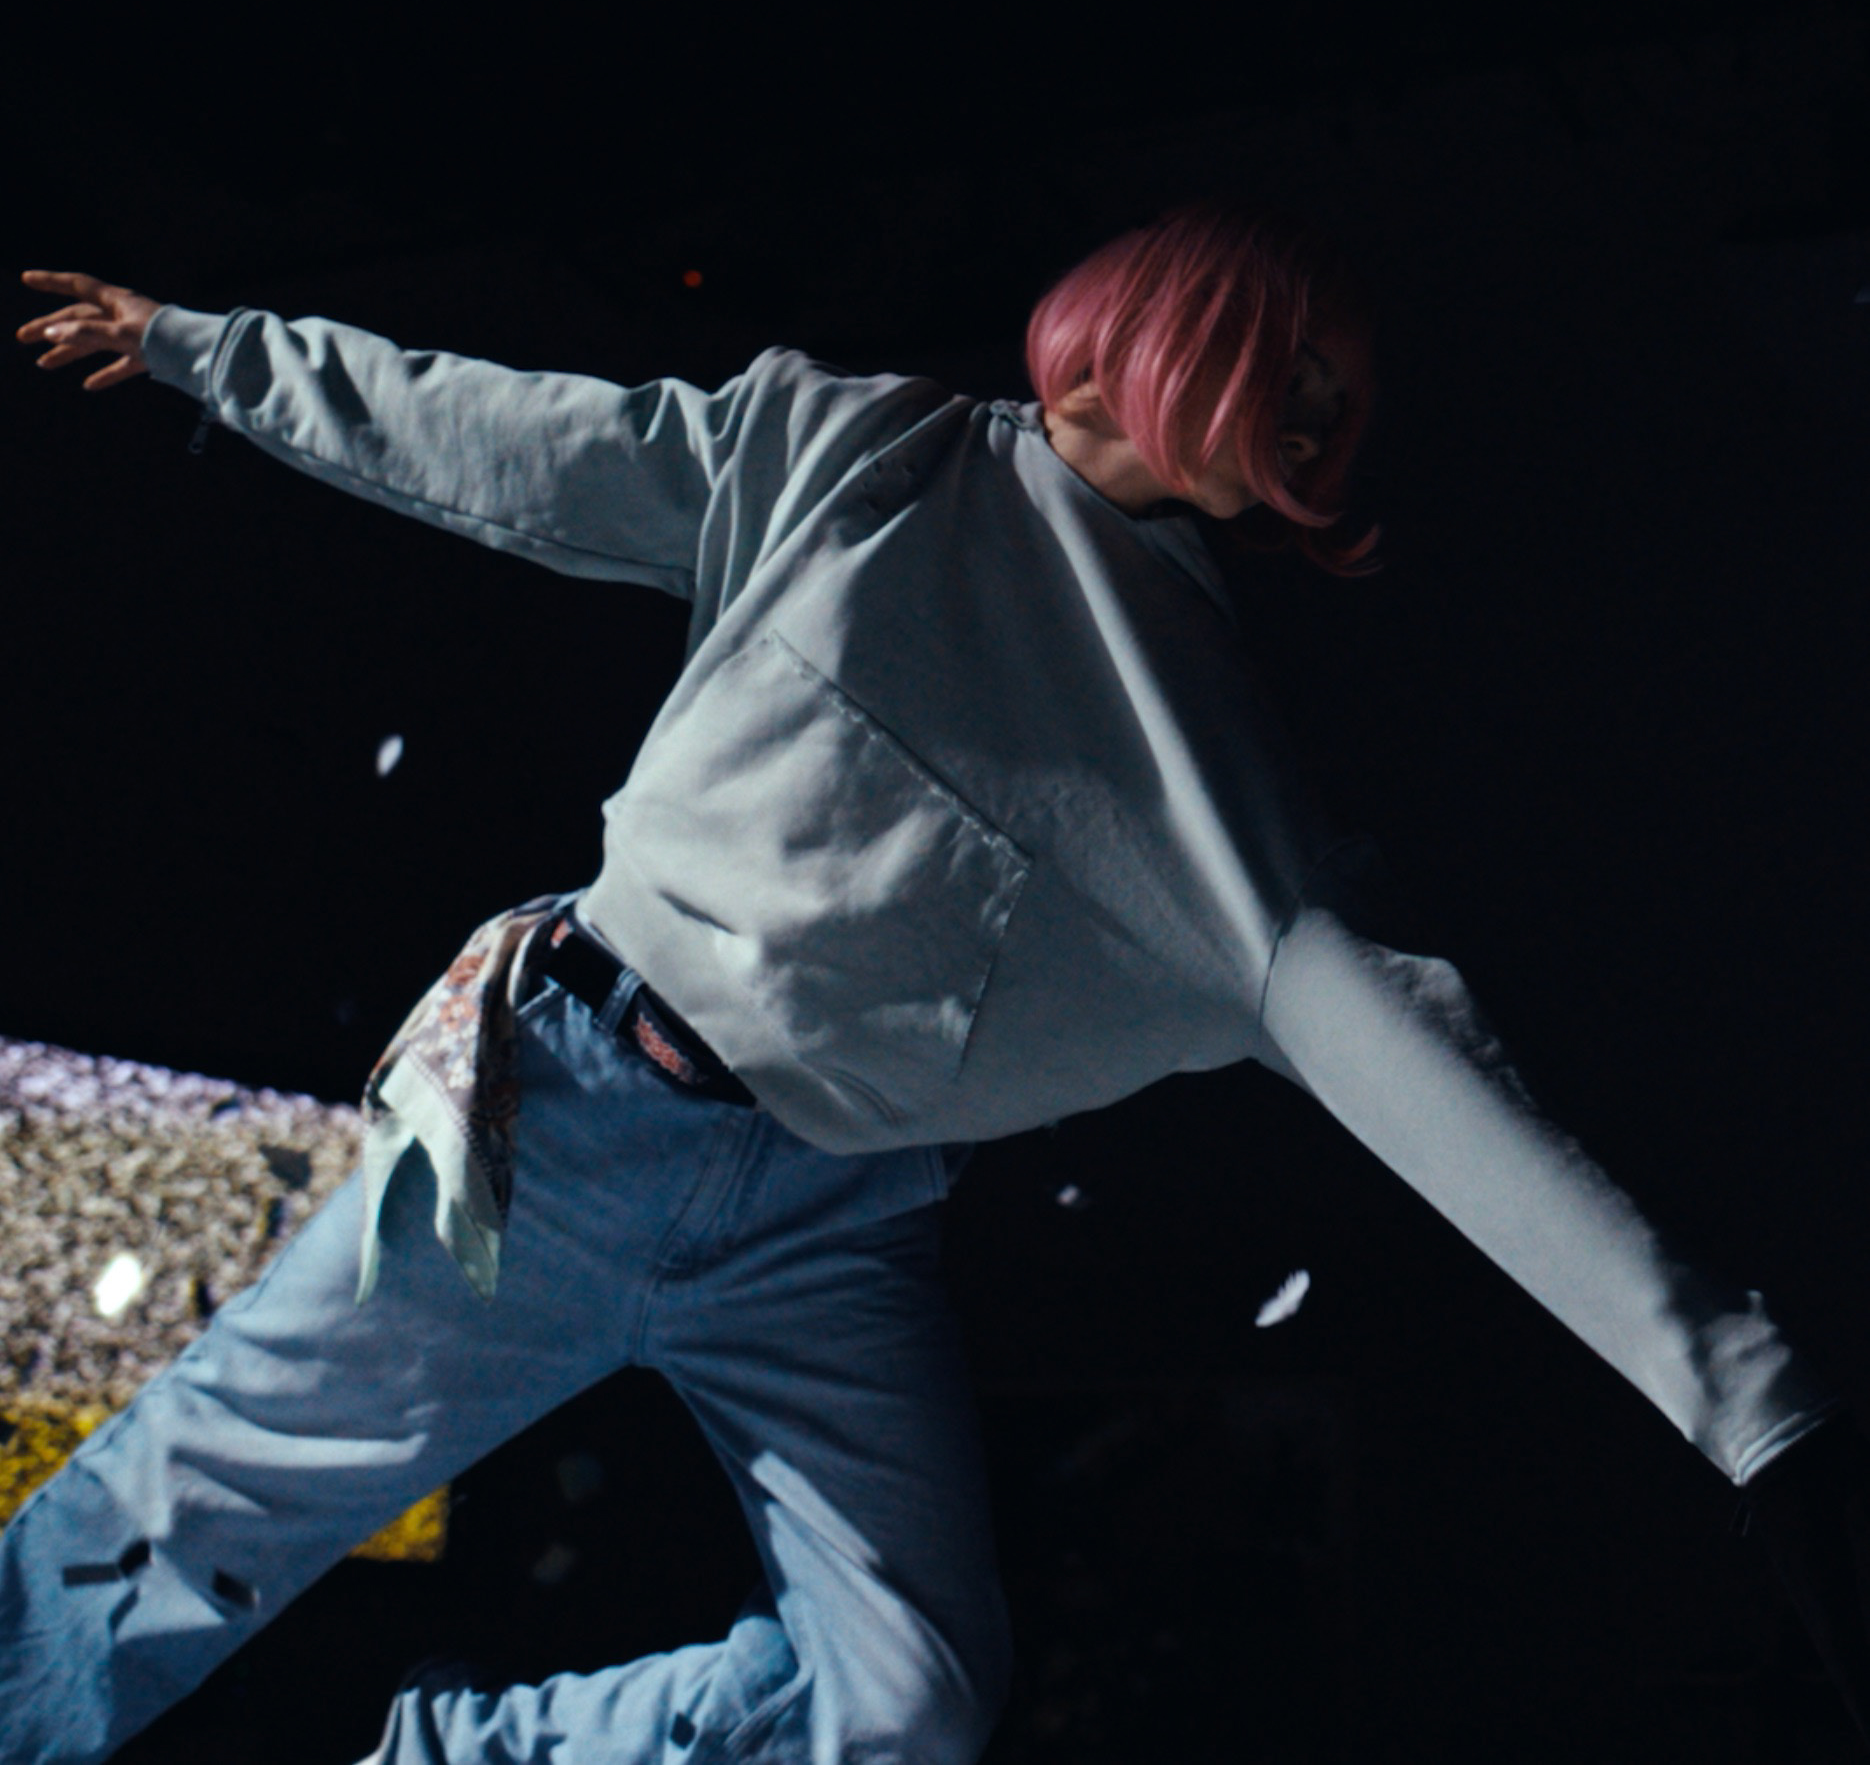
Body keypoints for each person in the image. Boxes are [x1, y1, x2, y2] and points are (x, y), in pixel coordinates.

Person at [6, 202, 1869, 1764]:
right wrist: (207, 350)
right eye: (1290, 368)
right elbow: (517, 439)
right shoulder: (860, 452)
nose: (1320, 417)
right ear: (1150, 336)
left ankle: (454, 1759)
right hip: (571, 1111)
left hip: (827, 1231)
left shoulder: (1210, 768)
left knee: (905, 1703)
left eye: (1339, 404)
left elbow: (1432, 1078)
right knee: (179, 1519)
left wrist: (1758, 1412)